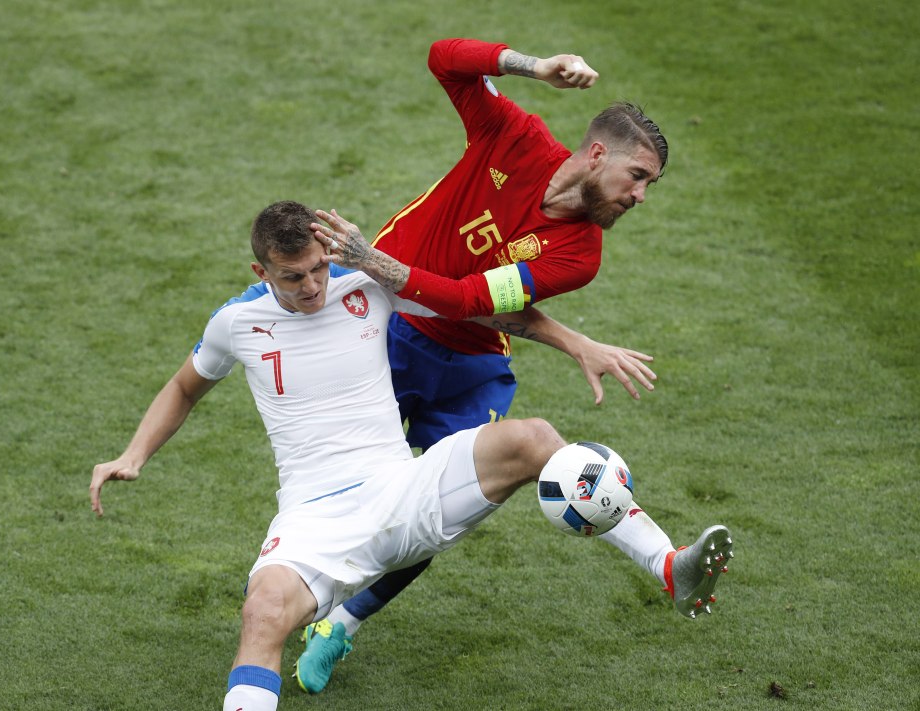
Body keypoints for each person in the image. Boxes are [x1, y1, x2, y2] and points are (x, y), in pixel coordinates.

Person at [89, 201, 733, 709]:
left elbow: (482, 309)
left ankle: (669, 566)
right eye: (293, 277)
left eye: (319, 267)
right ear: (261, 272)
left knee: (535, 437)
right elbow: (183, 386)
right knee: (261, 615)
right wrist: (134, 453)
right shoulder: (235, 323)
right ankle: (329, 628)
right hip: (313, 518)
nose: (314, 285)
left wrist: (577, 343)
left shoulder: (366, 285)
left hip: (402, 487)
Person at [296, 37, 672, 692]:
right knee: (352, 486)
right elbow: (444, 58)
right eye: (637, 177)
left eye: (650, 185)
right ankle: (298, 589)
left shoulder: (580, 253)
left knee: (446, 508)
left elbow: (475, 301)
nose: (641, 196)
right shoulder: (515, 136)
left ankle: (343, 623)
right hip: (385, 332)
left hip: (470, 364)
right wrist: (532, 67)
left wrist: (372, 258)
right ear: (597, 154)